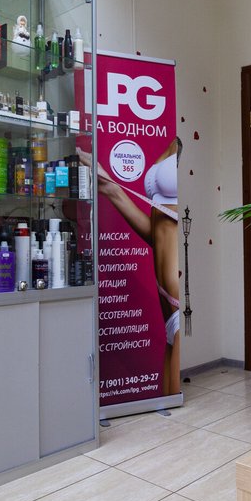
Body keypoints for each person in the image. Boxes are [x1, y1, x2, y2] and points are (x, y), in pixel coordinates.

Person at [81, 138, 181, 396]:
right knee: (169, 401)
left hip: (181, 301)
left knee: (178, 405)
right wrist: (111, 189)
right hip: (167, 304)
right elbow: (157, 233)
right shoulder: (173, 141)